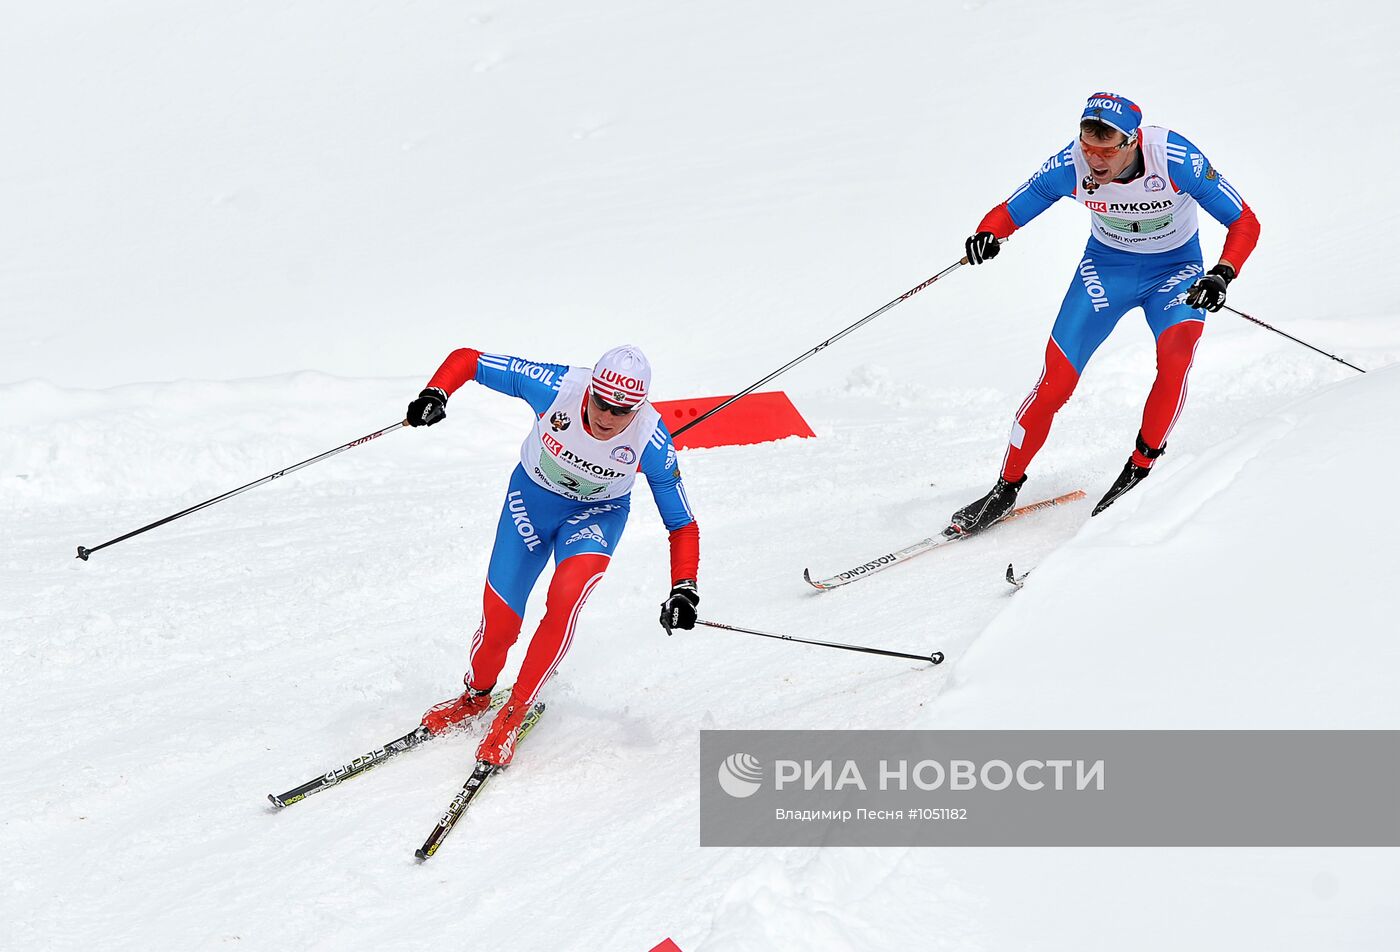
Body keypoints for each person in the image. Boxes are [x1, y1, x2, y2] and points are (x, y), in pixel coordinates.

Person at [952, 91, 1260, 529]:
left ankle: (1139, 467)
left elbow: (1245, 221)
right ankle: (1005, 487)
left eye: (1106, 150)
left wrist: (1222, 273)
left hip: (1174, 272)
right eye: (1087, 147)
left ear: (1132, 142)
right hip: (1105, 270)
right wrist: (988, 234)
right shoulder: (1071, 164)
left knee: (1174, 361)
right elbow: (1012, 209)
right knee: (1054, 382)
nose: (1094, 162)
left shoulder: (1174, 158)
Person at [404, 344, 701, 766]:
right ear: (591, 389)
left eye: (620, 411)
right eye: (600, 402)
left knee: (565, 596)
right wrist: (437, 393)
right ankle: (475, 696)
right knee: (501, 624)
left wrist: (684, 588)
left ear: (639, 407)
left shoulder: (652, 440)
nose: (605, 417)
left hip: (596, 515)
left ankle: (515, 710)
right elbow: (469, 359)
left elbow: (682, 524)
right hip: (530, 501)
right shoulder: (558, 386)